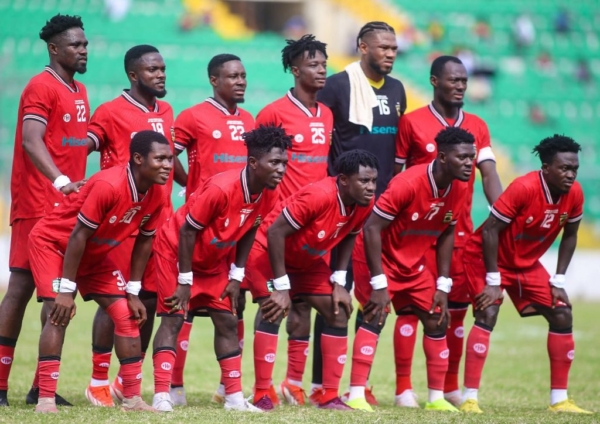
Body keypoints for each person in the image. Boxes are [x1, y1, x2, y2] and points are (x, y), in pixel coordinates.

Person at [28, 130, 173, 413]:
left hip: (92, 254)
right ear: (138, 159)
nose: (168, 165)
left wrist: (133, 291)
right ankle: (45, 399)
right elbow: (77, 236)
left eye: (169, 159)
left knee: (127, 315)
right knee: (59, 313)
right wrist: (66, 290)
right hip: (54, 246)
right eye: (160, 159)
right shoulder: (109, 184)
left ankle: (132, 399)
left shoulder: (157, 193)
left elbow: (144, 241)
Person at [150, 125, 291, 412]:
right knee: (173, 319)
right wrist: (185, 281)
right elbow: (188, 231)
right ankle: (162, 395)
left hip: (214, 260)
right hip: (176, 253)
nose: (281, 169)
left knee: (227, 320)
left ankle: (234, 399)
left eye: (284, 163)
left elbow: (250, 228)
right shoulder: (221, 188)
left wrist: (237, 275)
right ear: (254, 162)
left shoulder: (269, 193)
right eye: (275, 162)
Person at [391, 55, 502, 408]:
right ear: (435, 81)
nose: (460, 86)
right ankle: (403, 389)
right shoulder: (411, 123)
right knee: (411, 310)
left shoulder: (478, 126)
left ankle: (449, 387)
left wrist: (503, 211)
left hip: (459, 234)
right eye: (453, 80)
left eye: (464, 81)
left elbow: (489, 173)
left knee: (454, 310)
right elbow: (396, 177)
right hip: (417, 235)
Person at [308, 21, 406, 405]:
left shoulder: (397, 90)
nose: (391, 54)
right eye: (383, 47)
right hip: (344, 209)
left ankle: (358, 384)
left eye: (394, 48)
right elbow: (323, 139)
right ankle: (320, 384)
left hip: (381, 211)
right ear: (363, 47)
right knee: (335, 293)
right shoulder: (336, 86)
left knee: (374, 295)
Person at [460, 135, 591, 414]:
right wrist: (493, 281)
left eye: (574, 169)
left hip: (525, 263)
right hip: (486, 258)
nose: (570, 175)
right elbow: (490, 231)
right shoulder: (524, 187)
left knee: (562, 313)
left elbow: (570, 235)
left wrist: (558, 280)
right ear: (546, 168)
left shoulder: (575, 193)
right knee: (488, 311)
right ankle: (469, 398)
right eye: (564, 168)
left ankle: (559, 400)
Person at [83, 44, 182, 407]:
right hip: (122, 221)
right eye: (153, 69)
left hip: (159, 222)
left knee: (149, 299)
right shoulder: (110, 111)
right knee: (115, 301)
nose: (161, 74)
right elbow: (83, 146)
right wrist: (68, 181)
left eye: (163, 68)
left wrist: (190, 185)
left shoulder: (166, 111)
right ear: (133, 75)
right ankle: (97, 381)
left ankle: (127, 381)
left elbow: (170, 158)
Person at [348, 126, 474, 412]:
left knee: (437, 318)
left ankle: (436, 398)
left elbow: (448, 232)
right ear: (443, 157)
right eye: (462, 157)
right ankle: (355, 394)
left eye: (471, 157)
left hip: (413, 263)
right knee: (375, 316)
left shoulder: (460, 186)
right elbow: (371, 229)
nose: (469, 163)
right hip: (378, 258)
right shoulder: (408, 183)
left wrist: (443, 284)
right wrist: (379, 284)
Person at [0, 13, 89, 408]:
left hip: (67, 208)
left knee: (57, 295)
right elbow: (31, 140)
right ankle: (3, 386)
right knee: (22, 290)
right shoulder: (41, 86)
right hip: (38, 203)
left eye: (85, 44)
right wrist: (59, 181)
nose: (83, 50)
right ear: (54, 49)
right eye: (75, 45)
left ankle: (41, 387)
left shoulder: (80, 90)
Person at [247, 149, 379, 411]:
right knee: (273, 309)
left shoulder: (364, 202)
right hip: (267, 254)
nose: (371, 187)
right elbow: (274, 234)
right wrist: (282, 287)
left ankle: (328, 396)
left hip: (306, 262)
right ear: (344, 180)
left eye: (374, 181)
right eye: (364, 181)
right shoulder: (318, 195)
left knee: (338, 311)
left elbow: (350, 234)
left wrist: (339, 282)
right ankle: (262, 393)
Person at [252, 34, 333, 406]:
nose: (321, 70)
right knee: (273, 305)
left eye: (324, 64)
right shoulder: (274, 112)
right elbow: (255, 166)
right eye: (313, 64)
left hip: (314, 230)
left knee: (304, 306)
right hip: (278, 225)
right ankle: (261, 389)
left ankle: (293, 383)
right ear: (295, 69)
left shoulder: (327, 114)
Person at [170, 53, 255, 406]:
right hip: (200, 226)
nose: (241, 81)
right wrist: (190, 185)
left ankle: (227, 388)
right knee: (184, 306)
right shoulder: (193, 116)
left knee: (236, 303)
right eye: (233, 76)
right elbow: (167, 154)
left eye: (243, 75)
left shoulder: (249, 120)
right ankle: (174, 387)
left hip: (236, 228)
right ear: (214, 80)